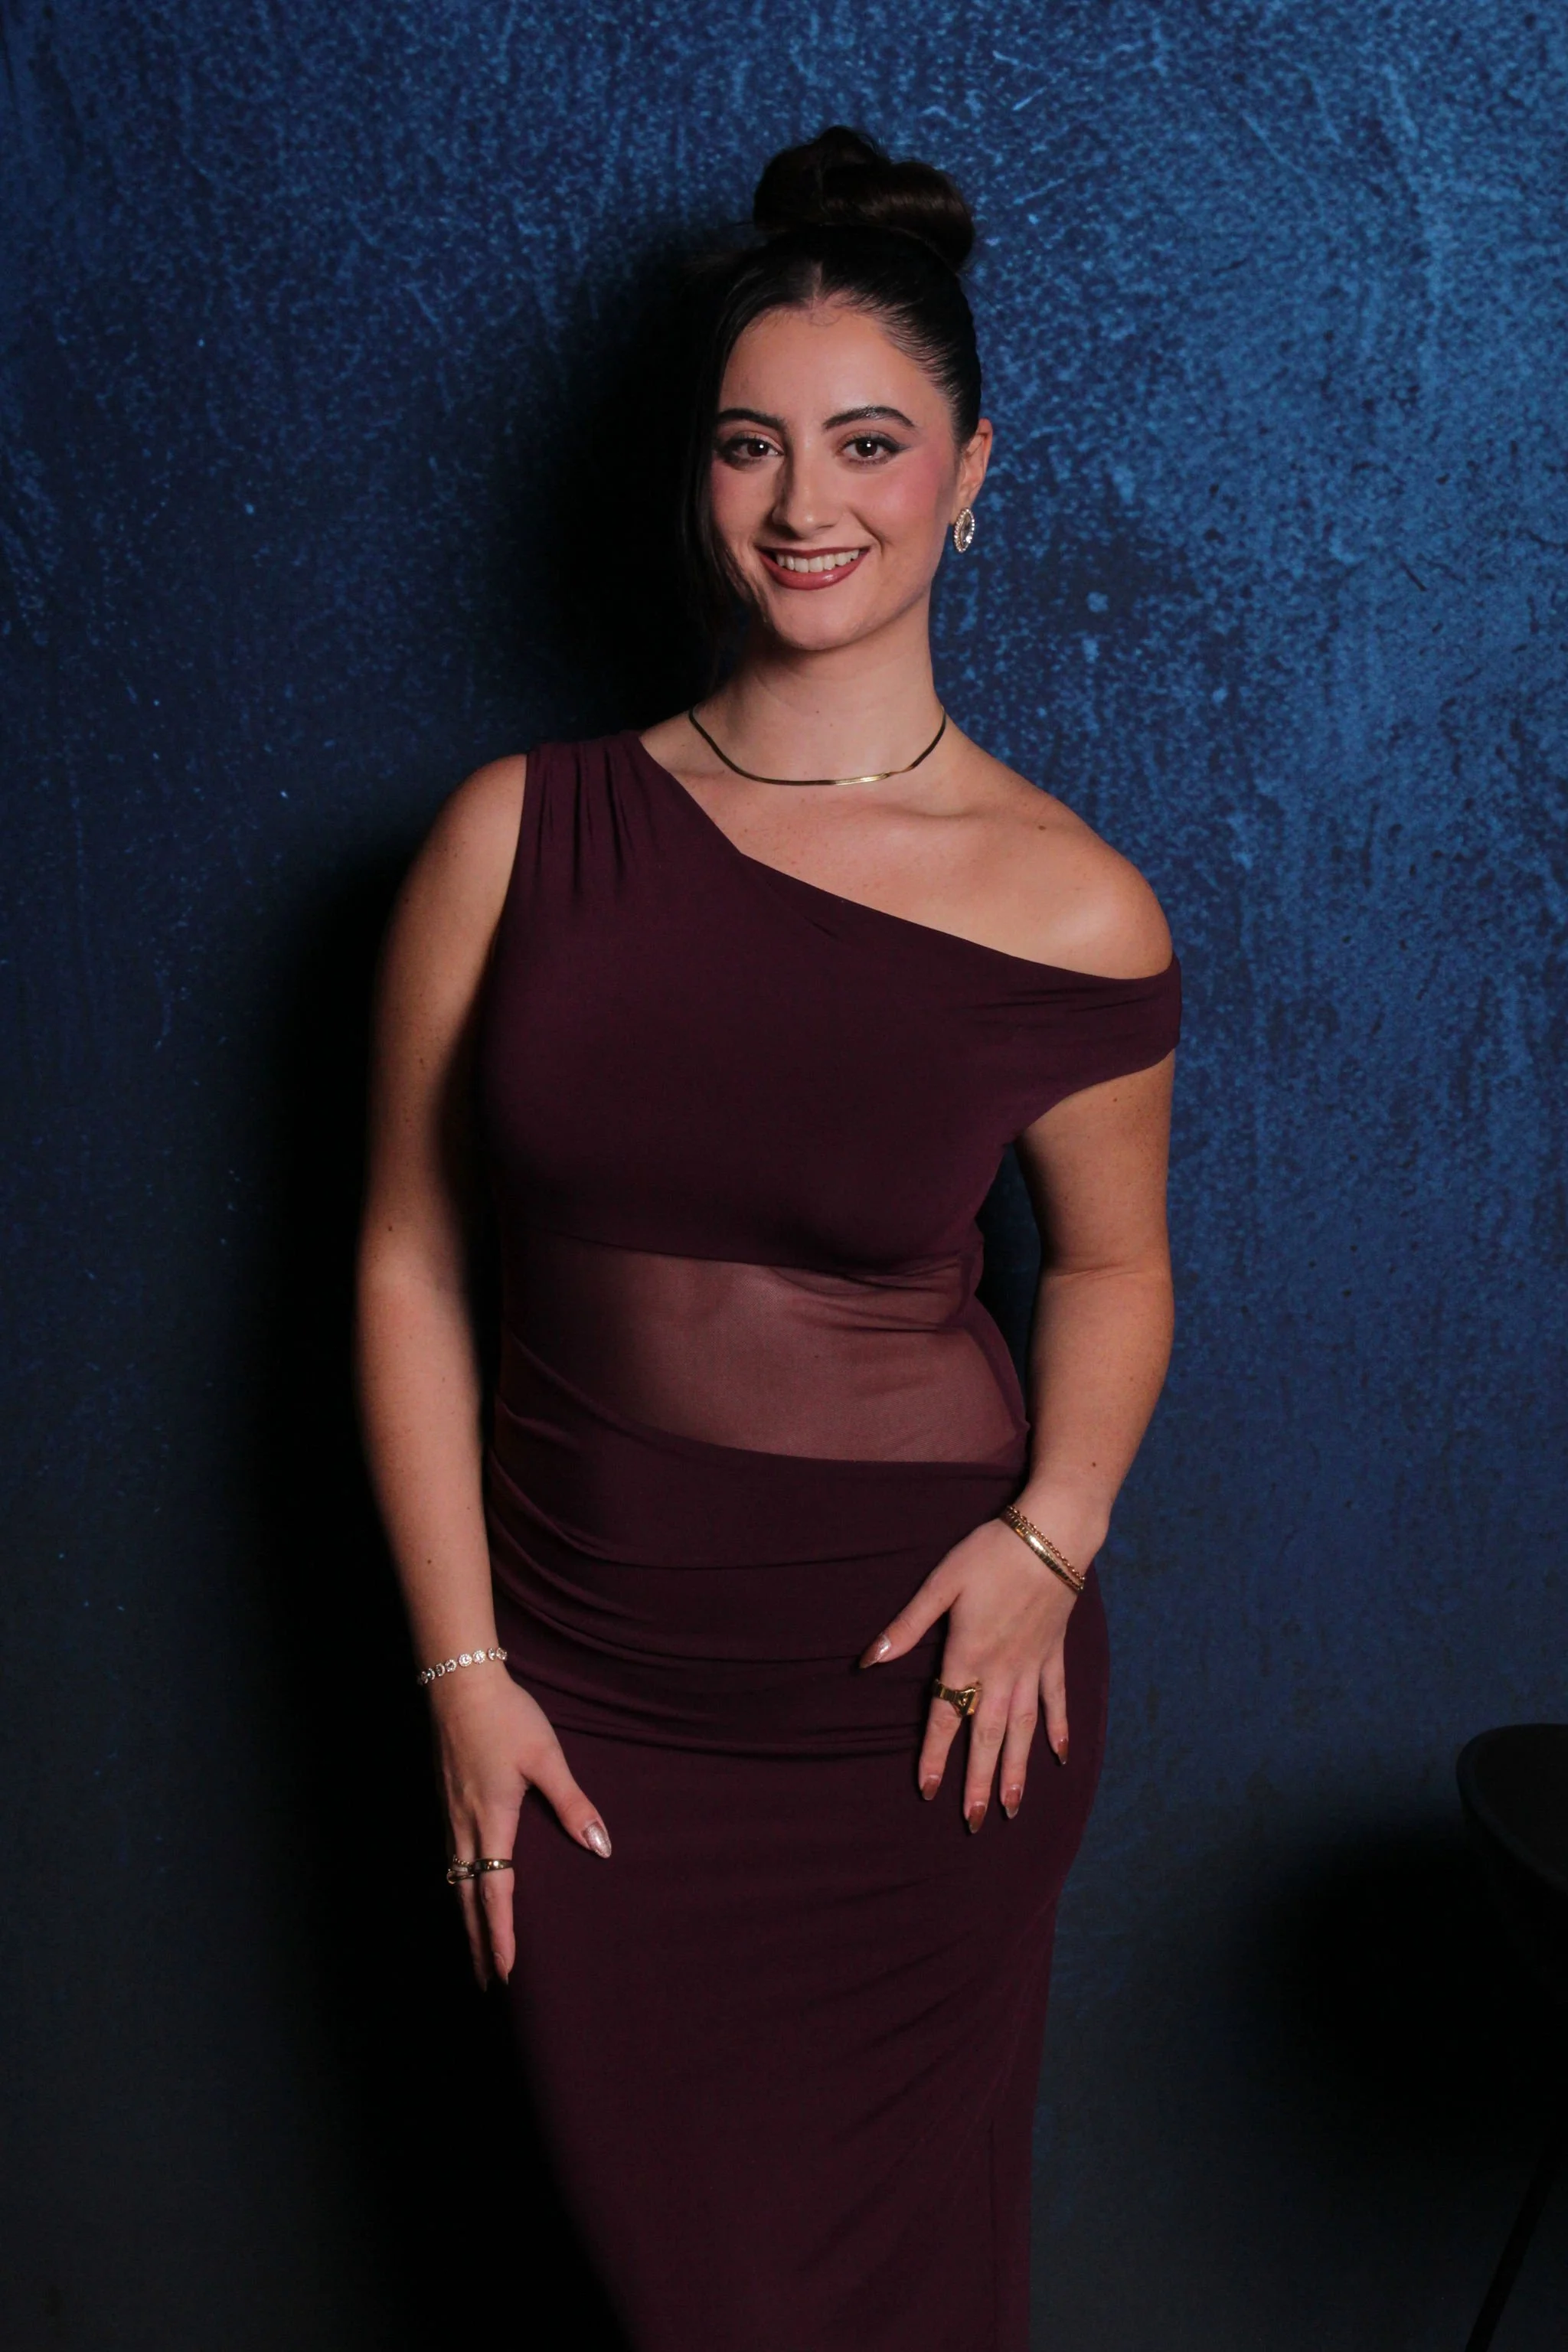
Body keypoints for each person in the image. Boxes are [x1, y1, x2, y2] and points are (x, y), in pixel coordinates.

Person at [357, 125, 1179, 2352]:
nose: (808, 505)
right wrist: (464, 1676)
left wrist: (1053, 1543)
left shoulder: (1072, 899)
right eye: (752, 445)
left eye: (870, 444)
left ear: (972, 474)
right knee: (673, 2295)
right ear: (695, 478)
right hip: (587, 1696)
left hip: (916, 1714)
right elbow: (410, 1263)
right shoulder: (519, 834)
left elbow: (1109, 1267)